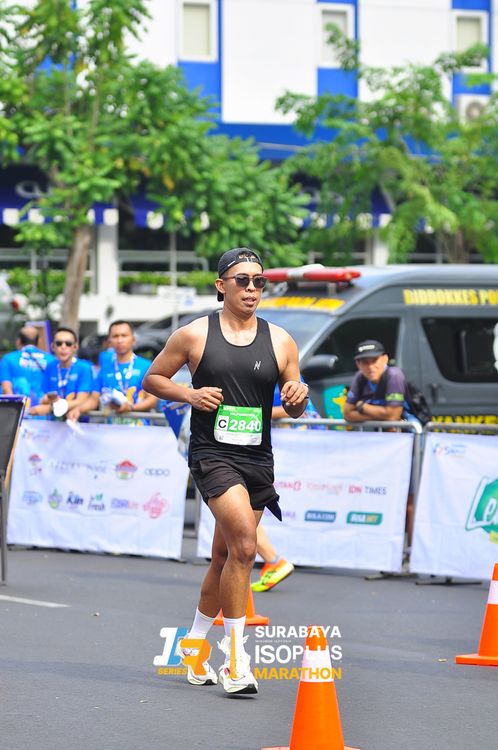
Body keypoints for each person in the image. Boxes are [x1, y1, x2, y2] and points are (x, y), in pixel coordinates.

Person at [143, 247, 309, 695]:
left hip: (257, 457)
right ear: (221, 285)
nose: (252, 288)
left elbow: (295, 403)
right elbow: (152, 379)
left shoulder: (281, 341)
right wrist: (189, 394)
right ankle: (237, 662)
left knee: (223, 557)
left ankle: (193, 647)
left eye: (259, 281)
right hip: (212, 454)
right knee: (244, 547)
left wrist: (297, 398)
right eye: (242, 280)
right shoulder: (194, 334)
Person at [250, 382, 323, 593]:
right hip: (258, 446)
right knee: (234, 515)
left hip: (291, 445)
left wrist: (253, 414)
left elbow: (295, 408)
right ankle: (267, 562)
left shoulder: (276, 366)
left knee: (237, 514)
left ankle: (273, 561)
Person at [343, 339, 415, 548]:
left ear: (385, 359)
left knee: (409, 499)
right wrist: (379, 413)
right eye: (364, 362)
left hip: (409, 443)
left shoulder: (394, 375)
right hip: (384, 447)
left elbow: (393, 415)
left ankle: (411, 553)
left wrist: (362, 406)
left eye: (374, 360)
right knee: (383, 496)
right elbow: (347, 413)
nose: (370, 366)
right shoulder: (360, 378)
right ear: (358, 364)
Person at [69, 320, 157, 422]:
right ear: (109, 341)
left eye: (124, 335)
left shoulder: (146, 366)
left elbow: (152, 400)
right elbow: (93, 400)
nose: (120, 340)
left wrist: (131, 408)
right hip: (112, 429)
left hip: (140, 428)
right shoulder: (104, 369)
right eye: (115, 336)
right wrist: (78, 410)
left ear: (133, 339)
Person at [29, 326, 93, 419]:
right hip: (53, 423)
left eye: (68, 344)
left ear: (75, 347)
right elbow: (43, 398)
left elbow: (81, 400)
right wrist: (48, 399)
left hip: (77, 422)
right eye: (59, 343)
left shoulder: (84, 368)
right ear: (53, 347)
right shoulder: (50, 367)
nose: (63, 347)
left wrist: (50, 408)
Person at [0, 325, 56, 410]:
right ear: (39, 341)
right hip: (42, 412)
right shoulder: (52, 360)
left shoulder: (8, 359)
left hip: (19, 413)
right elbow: (54, 391)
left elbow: (6, 388)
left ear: (18, 341)